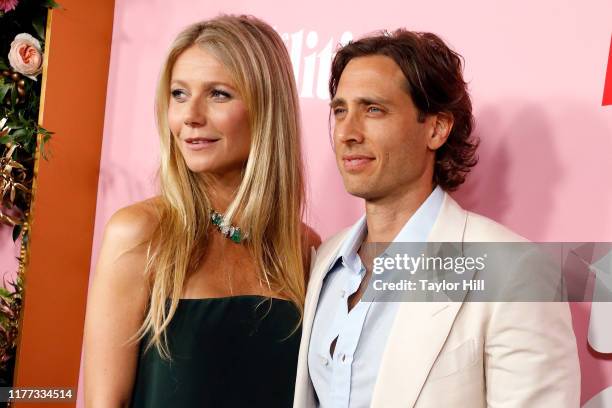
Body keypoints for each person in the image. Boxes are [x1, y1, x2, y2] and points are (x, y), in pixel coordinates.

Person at [293, 30, 580, 407]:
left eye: (373, 109)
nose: (347, 133)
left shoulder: (513, 271)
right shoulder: (325, 260)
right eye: (340, 110)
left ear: (436, 128)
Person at [83, 15, 319, 408]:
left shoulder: (304, 249)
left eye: (218, 94)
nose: (190, 115)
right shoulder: (140, 233)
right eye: (178, 94)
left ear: (267, 108)